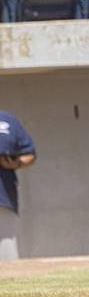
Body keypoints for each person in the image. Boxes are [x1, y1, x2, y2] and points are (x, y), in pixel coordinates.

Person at [0, 111, 35, 260]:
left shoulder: (8, 121)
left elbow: (30, 154)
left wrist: (16, 162)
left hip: (3, 200)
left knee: (7, 260)